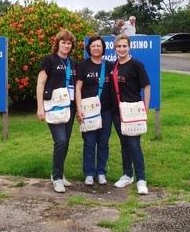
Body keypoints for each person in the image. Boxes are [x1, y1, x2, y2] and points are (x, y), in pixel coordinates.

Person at [36, 29, 77, 193]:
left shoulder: (72, 63)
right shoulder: (49, 60)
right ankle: (57, 178)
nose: (66, 45)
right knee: (60, 140)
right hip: (53, 106)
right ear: (57, 43)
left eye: (69, 43)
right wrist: (40, 107)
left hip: (69, 107)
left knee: (65, 142)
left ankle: (57, 173)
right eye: (63, 42)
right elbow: (40, 83)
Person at [111, 34, 151, 195]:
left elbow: (147, 86)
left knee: (134, 145)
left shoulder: (136, 65)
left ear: (129, 47)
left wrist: (145, 107)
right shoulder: (114, 66)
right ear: (115, 48)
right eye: (119, 46)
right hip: (117, 112)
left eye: (124, 46)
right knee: (124, 144)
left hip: (133, 111)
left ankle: (141, 179)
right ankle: (127, 174)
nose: (121, 49)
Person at [75, 36, 113, 186]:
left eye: (99, 46)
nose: (96, 48)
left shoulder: (109, 66)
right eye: (93, 46)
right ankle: (89, 173)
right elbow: (78, 87)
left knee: (103, 143)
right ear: (89, 48)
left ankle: (101, 171)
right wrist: (78, 109)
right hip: (88, 111)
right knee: (89, 143)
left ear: (103, 48)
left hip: (106, 111)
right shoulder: (83, 65)